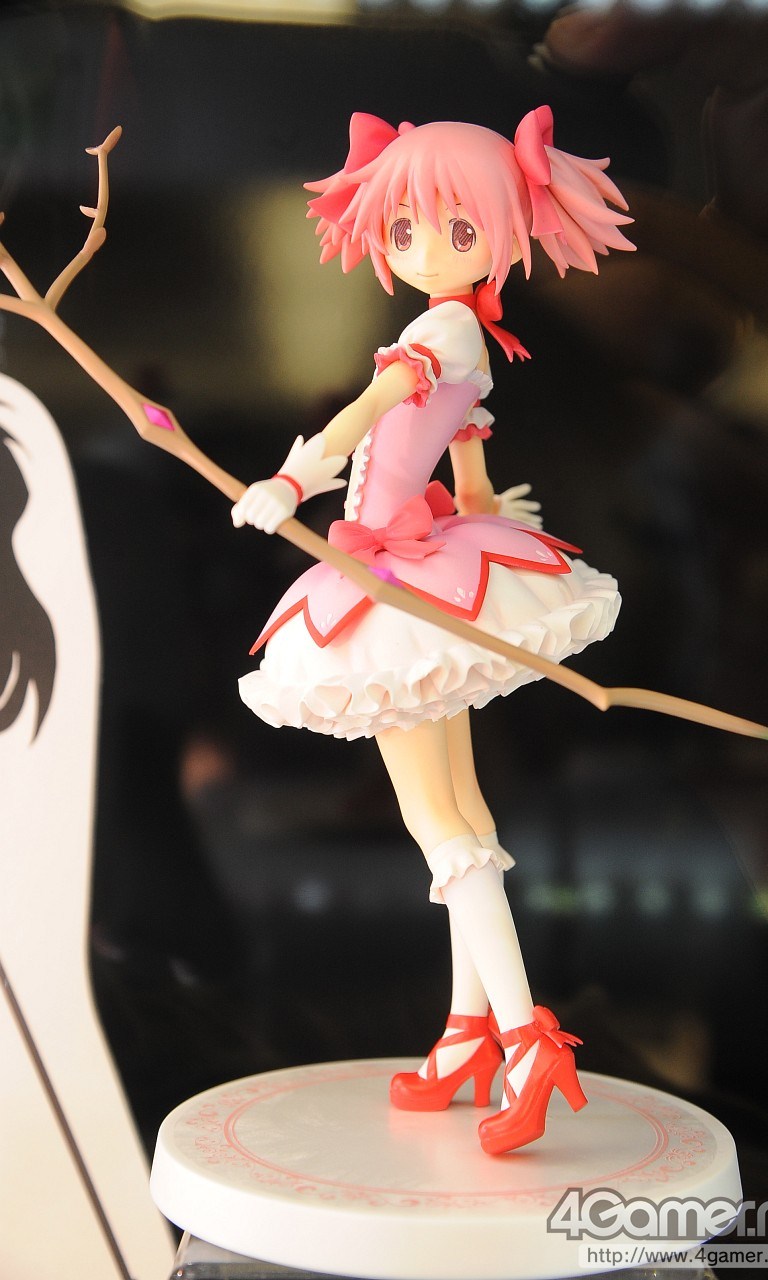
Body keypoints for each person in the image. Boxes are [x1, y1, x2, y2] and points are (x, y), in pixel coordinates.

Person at [231, 107, 634, 1154]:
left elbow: (366, 417)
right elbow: (467, 465)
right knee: (462, 810)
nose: (423, 251)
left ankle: (527, 1039)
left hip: (396, 582)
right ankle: (466, 1034)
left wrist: (290, 481)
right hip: (414, 562)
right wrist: (490, 513)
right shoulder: (472, 341)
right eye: (405, 229)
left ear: (506, 232)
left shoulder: (440, 332)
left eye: (459, 231)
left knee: (439, 824)